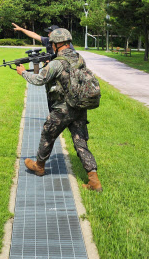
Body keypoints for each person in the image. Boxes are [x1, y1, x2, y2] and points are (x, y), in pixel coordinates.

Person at [15, 28, 102, 192]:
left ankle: (39, 166)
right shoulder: (79, 58)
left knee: (48, 135)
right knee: (81, 143)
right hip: (79, 107)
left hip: (62, 109)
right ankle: (94, 180)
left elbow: (40, 79)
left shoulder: (56, 63)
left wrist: (23, 73)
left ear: (55, 44)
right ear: (68, 43)